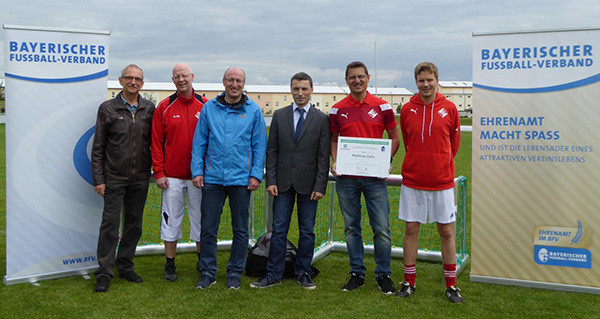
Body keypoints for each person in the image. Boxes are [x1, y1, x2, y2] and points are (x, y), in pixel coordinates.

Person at [250, 72, 330, 290]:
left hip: (309, 184)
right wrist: (271, 180)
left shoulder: (322, 119)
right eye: (296, 89)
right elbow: (272, 150)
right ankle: (273, 273)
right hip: (282, 184)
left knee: (307, 231)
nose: (300, 93)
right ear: (291, 90)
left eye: (304, 88)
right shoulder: (280, 115)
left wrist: (320, 185)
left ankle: (303, 272)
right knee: (278, 229)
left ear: (311, 90)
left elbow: (324, 156)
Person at [191, 67, 267, 290]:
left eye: (239, 80)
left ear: (244, 84)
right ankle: (208, 272)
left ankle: (234, 272)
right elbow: (199, 143)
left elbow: (259, 146)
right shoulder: (209, 109)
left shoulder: (253, 111)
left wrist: (255, 174)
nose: (235, 84)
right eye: (231, 80)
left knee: (241, 229)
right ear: (223, 82)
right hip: (213, 178)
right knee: (208, 228)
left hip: (241, 180)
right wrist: (197, 171)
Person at [329, 61, 400, 294]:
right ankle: (356, 273)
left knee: (381, 228)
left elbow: (394, 137)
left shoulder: (383, 107)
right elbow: (333, 139)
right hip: (347, 179)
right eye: (352, 77)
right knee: (351, 227)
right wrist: (336, 160)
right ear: (346, 80)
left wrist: (385, 161)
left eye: (361, 76)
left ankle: (383, 274)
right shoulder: (337, 109)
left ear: (368, 78)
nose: (357, 80)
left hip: (374, 179)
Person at [397, 62, 462, 303]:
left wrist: (441, 164)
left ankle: (452, 285)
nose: (425, 84)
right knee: (411, 229)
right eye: (421, 81)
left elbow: (453, 144)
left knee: (445, 231)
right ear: (416, 82)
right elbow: (407, 139)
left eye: (429, 80)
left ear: (437, 81)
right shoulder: (407, 109)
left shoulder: (450, 108)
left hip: (441, 181)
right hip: (413, 180)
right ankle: (409, 281)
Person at [91, 64, 155, 292]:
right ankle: (104, 272)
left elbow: (154, 143)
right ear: (120, 80)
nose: (133, 82)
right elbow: (98, 147)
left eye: (138, 79)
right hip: (114, 177)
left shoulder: (149, 109)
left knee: (134, 225)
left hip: (140, 178)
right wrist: (99, 178)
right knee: (110, 225)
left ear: (142, 83)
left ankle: (126, 265)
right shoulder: (107, 109)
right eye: (129, 78)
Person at [152, 63, 208, 282]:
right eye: (177, 76)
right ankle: (170, 264)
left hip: (198, 176)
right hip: (172, 176)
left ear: (192, 76)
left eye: (185, 75)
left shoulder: (205, 105)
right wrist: (159, 172)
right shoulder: (164, 107)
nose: (181, 79)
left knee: (200, 218)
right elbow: (156, 142)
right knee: (171, 219)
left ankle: (202, 261)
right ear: (173, 80)